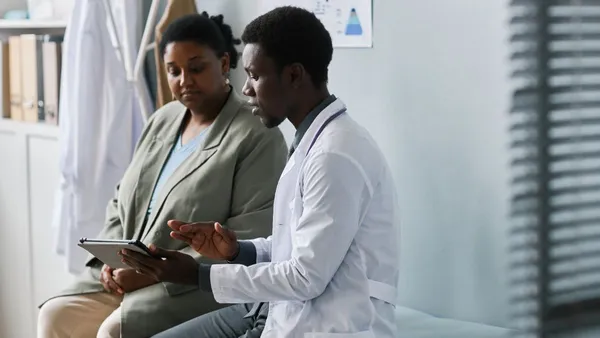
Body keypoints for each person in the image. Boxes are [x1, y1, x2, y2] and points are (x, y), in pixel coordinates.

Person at [121, 6, 400, 338]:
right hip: (287, 311)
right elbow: (297, 245)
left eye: (254, 75)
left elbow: (304, 277)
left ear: (294, 76)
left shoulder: (335, 156)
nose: (246, 89)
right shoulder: (312, 142)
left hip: (333, 326)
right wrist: (238, 250)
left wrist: (197, 274)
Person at [37, 12, 288, 338]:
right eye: (173, 71)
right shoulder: (163, 119)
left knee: (114, 331)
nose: (184, 80)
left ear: (224, 64)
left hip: (190, 284)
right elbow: (120, 200)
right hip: (127, 274)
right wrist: (111, 260)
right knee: (56, 315)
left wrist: (153, 272)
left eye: (196, 68)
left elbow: (249, 234)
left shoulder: (255, 134)